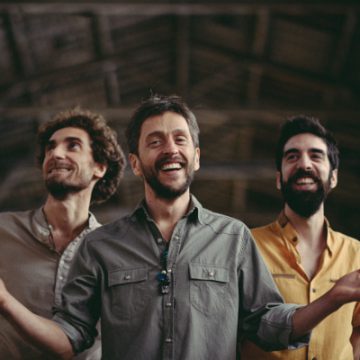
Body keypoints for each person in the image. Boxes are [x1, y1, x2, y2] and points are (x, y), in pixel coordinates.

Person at [1, 96, 360, 360]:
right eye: (155, 141)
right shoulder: (100, 245)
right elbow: (70, 336)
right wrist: (4, 301)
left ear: (197, 157)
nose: (170, 149)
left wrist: (332, 299)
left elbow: (267, 325)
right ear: (136, 164)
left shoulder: (232, 237)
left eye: (180, 139)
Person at [0, 107, 126, 359]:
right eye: (50, 147)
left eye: (73, 146)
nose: (56, 153)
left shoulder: (116, 252)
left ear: (99, 167)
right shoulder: (2, 230)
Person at [241, 115, 360, 360]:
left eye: (315, 156)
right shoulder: (245, 246)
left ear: (334, 177)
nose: (304, 164)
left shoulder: (357, 254)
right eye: (292, 156)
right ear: (278, 178)